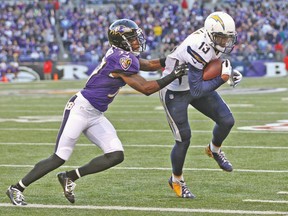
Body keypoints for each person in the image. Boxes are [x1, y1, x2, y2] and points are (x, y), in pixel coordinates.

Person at [6, 18, 188, 206]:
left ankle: (69, 177)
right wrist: (173, 74)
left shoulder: (123, 54)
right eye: (132, 38)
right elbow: (146, 88)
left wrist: (173, 59)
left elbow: (149, 65)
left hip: (95, 114)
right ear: (120, 40)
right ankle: (16, 188)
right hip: (80, 109)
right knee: (59, 156)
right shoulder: (120, 58)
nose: (136, 41)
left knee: (116, 155)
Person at [159, 11, 243, 199]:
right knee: (184, 139)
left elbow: (210, 65)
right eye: (221, 37)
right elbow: (197, 90)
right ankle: (176, 180)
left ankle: (213, 149)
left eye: (228, 38)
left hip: (193, 83)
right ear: (212, 33)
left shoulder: (212, 40)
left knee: (226, 120)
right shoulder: (197, 46)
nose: (225, 42)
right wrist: (223, 77)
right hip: (174, 91)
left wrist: (230, 71)